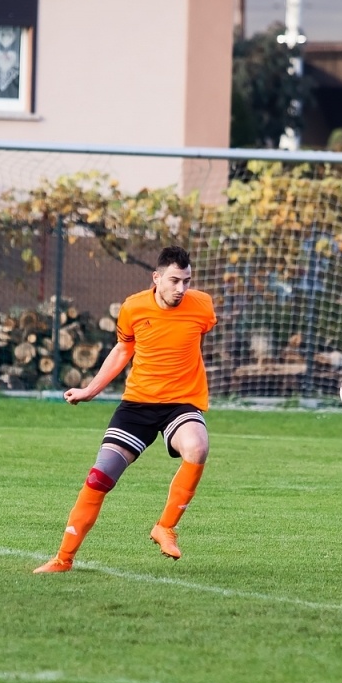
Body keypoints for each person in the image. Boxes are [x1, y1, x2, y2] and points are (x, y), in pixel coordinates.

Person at [35, 245, 216, 574]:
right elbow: (122, 350)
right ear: (156, 278)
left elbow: (195, 342)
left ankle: (165, 527)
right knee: (100, 475)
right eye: (175, 281)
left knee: (198, 446)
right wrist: (90, 390)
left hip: (181, 403)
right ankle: (63, 559)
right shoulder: (133, 308)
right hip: (138, 405)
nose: (182, 289)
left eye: (187, 281)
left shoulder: (202, 306)